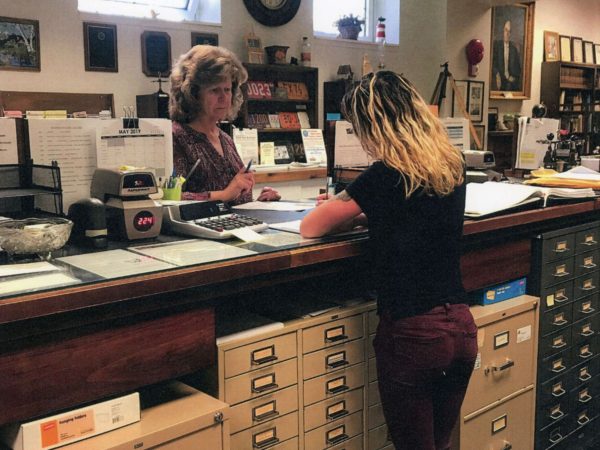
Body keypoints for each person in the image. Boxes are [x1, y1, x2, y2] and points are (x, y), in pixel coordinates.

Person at [300, 71, 477, 450]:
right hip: (461, 328)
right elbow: (416, 214)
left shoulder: (387, 172)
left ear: (374, 124)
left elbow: (310, 227)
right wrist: (361, 212)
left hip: (414, 334)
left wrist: (341, 208)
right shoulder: (451, 163)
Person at [169, 45, 280, 204]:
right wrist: (225, 194)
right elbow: (169, 198)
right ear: (193, 95)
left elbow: (234, 199)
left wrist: (259, 201)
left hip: (234, 226)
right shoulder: (175, 138)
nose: (224, 98)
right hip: (197, 229)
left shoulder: (225, 138)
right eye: (214, 90)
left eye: (227, 90)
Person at [492, 19, 522, 91]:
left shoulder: (513, 49)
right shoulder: (497, 45)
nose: (507, 33)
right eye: (506, 30)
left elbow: (518, 68)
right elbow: (492, 63)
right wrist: (497, 74)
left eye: (509, 31)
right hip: (500, 78)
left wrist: (513, 77)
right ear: (503, 31)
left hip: (510, 81)